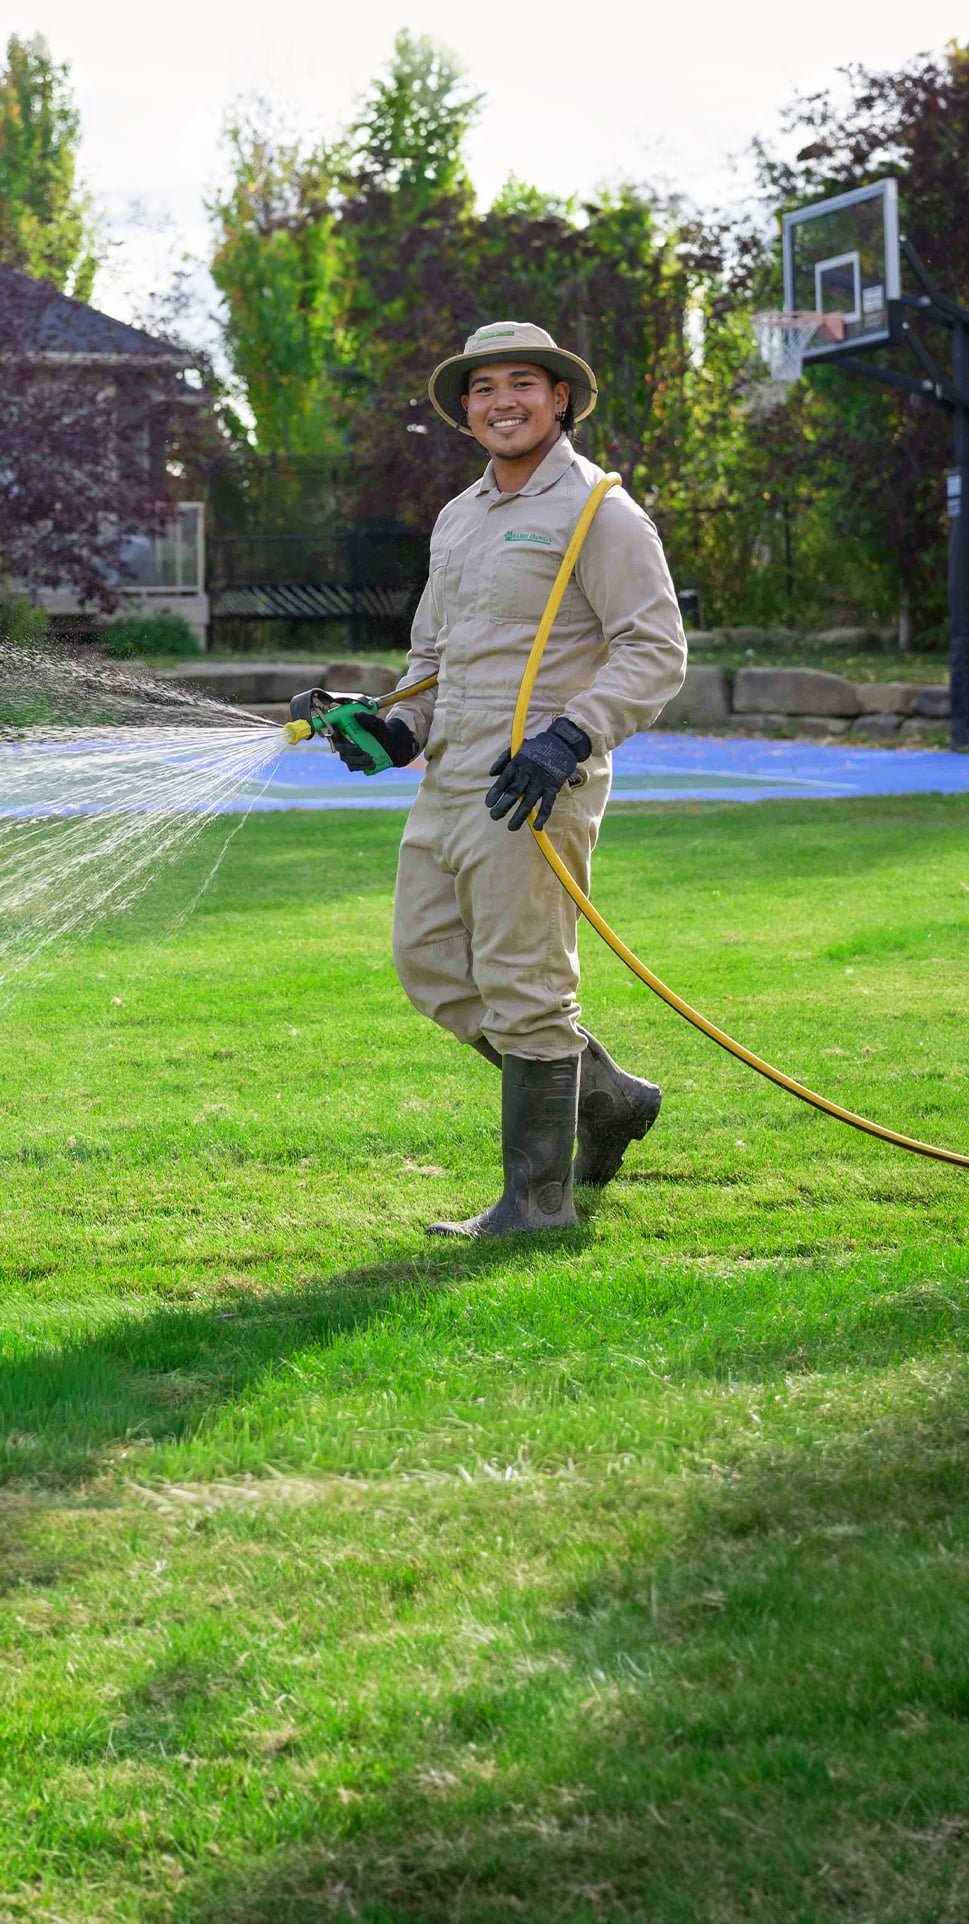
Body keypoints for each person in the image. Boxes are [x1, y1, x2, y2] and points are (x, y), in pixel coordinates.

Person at [334, 321, 687, 1237]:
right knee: (432, 966)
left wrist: (570, 737)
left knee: (527, 985)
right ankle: (604, 1097)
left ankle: (538, 1204)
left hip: (537, 783)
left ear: (559, 397)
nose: (502, 402)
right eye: (483, 388)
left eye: (522, 384)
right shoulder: (458, 517)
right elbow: (430, 655)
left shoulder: (600, 510)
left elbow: (654, 650)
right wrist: (392, 725)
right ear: (467, 409)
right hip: (452, 779)